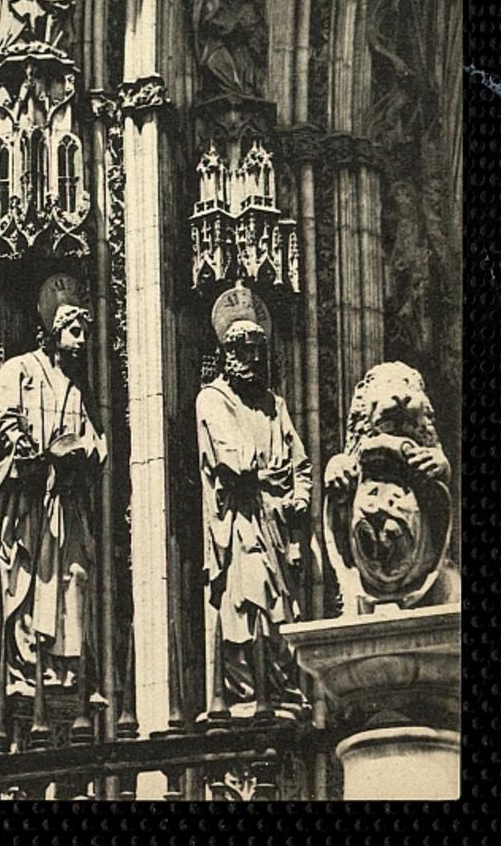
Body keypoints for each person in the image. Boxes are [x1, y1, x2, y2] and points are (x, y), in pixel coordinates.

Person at [0, 273, 105, 702]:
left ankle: (65, 671)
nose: (82, 339)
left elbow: (92, 440)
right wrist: (26, 447)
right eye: (74, 331)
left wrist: (87, 452)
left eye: (86, 332)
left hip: (64, 508)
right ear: (53, 332)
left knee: (74, 578)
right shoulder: (19, 370)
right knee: (28, 583)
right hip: (27, 506)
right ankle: (25, 671)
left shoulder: (73, 389)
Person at [196, 285, 310, 715]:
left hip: (278, 526)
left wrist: (298, 493)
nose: (253, 359)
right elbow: (236, 461)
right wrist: (268, 474)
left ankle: (278, 694)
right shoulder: (212, 399)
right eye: (244, 350)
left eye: (259, 349)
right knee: (250, 602)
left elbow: (299, 463)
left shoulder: (274, 405)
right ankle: (248, 696)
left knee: (283, 615)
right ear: (227, 352)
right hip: (241, 526)